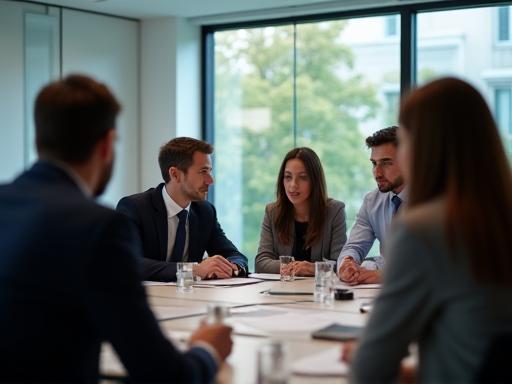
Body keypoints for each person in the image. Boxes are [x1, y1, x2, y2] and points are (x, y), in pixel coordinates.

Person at [0, 75, 232, 382]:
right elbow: (164, 375)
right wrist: (207, 349)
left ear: (38, 139)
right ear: (107, 145)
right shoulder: (98, 227)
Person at [349, 77, 512, 382]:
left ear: (423, 148)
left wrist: (363, 356)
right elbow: (476, 347)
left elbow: (369, 371)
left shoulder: (424, 229)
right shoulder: (497, 216)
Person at [117, 137, 248, 281]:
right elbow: (128, 262)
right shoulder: (135, 207)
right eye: (203, 171)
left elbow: (234, 255)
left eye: (210, 171)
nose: (211, 180)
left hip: (190, 298)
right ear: (175, 174)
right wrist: (193, 270)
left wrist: (233, 267)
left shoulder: (205, 212)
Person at [255, 147, 347, 276]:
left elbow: (341, 264)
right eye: (288, 177)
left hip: (319, 291)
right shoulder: (272, 212)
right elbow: (261, 263)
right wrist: (294, 267)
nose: (293, 185)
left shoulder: (335, 211)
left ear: (315, 181)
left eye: (303, 177)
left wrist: (313, 268)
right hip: (282, 291)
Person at [337, 126, 406, 285]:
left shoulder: (433, 201)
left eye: (386, 163)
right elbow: (354, 246)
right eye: (374, 164)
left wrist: (384, 275)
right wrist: (347, 263)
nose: (377, 172)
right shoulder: (372, 202)